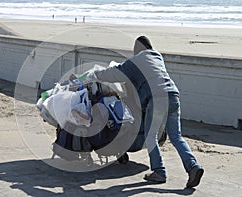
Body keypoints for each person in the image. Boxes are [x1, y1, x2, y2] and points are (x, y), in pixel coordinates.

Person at [86, 36, 204, 188]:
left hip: (157, 99)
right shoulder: (157, 57)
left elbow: (116, 73)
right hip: (173, 95)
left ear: (138, 49)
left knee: (150, 136)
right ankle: (193, 167)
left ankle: (159, 171)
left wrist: (96, 74)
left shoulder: (136, 61)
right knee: (176, 136)